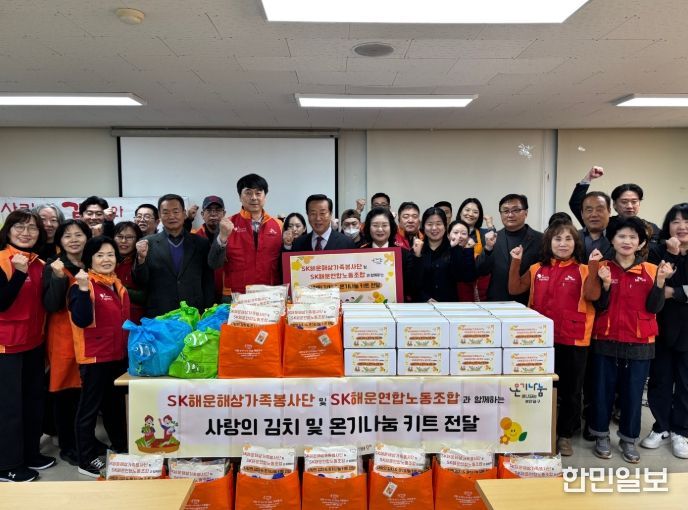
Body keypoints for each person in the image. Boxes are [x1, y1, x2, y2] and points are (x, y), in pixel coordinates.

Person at [508, 220, 603, 456]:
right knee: (541, 389)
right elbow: (514, 289)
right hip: (540, 341)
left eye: (568, 239)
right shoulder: (536, 269)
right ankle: (540, 432)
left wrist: (593, 266)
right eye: (557, 239)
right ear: (549, 243)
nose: (563, 244)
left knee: (571, 391)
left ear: (575, 243)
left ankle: (565, 436)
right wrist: (516, 261)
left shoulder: (584, 269)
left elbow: (593, 295)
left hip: (574, 339)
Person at [589, 216, 673, 463]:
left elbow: (655, 308)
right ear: (612, 240)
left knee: (633, 394)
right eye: (621, 236)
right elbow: (598, 305)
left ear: (641, 243)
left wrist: (660, 282)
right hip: (605, 339)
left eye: (633, 237)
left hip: (640, 344)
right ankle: (601, 436)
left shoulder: (651, 270)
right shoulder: (602, 267)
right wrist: (605, 284)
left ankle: (628, 439)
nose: (627, 241)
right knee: (601, 392)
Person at [68, 236, 129, 477]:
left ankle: (120, 447)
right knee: (89, 409)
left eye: (110, 255)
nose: (106, 259)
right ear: (90, 259)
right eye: (100, 255)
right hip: (94, 358)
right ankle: (85, 459)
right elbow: (81, 319)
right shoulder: (83, 285)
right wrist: (83, 289)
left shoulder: (116, 284)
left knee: (114, 407)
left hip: (116, 356)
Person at [0, 210, 53, 483]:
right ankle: (7, 465)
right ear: (8, 230)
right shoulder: (1, 260)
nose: (26, 232)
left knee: (33, 402)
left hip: (34, 343)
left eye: (32, 228)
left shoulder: (40, 263)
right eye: (19, 227)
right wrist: (19, 274)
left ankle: (31, 454)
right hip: (6, 347)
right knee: (9, 408)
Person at [42, 219, 92, 466]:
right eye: (67, 235)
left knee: (85, 392)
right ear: (60, 241)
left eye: (78, 234)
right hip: (63, 337)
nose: (74, 239)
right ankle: (68, 446)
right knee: (65, 391)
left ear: (87, 238)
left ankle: (85, 440)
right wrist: (59, 277)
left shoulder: (92, 263)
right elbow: (51, 304)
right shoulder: (54, 266)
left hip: (89, 336)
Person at [642, 203, 688, 458]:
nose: (682, 227)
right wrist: (672, 255)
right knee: (660, 380)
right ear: (668, 225)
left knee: (685, 382)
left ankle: (682, 430)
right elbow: (653, 286)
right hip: (661, 327)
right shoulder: (658, 251)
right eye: (676, 221)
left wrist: (676, 292)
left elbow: (670, 289)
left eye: (687, 221)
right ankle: (661, 427)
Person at [133, 194, 215, 317]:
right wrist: (141, 259)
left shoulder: (201, 243)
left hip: (193, 313)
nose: (171, 216)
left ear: (184, 213)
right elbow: (141, 281)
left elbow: (208, 282)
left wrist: (208, 312)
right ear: (159, 216)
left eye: (176, 211)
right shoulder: (148, 243)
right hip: (160, 314)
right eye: (166, 212)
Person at [209, 174, 283, 297]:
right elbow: (214, 263)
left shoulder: (279, 225)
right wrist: (222, 237)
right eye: (248, 193)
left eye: (258, 193)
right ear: (240, 196)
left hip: (270, 294)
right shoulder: (227, 224)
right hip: (235, 295)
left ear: (265, 196)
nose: (254, 197)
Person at [476, 194, 543, 304]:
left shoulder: (541, 239)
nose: (510, 215)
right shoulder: (492, 238)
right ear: (500, 214)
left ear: (526, 212)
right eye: (506, 211)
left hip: (528, 302)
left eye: (516, 210)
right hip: (497, 301)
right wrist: (488, 248)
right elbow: (481, 270)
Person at [568, 166, 660, 243]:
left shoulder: (651, 228)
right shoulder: (603, 224)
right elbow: (576, 203)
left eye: (634, 201)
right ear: (614, 205)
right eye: (624, 202)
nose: (629, 206)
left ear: (639, 203)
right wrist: (588, 178)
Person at [407, 207, 476, 302]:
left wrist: (455, 249)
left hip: (448, 306)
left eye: (438, 224)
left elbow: (464, 277)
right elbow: (411, 284)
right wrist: (417, 257)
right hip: (422, 306)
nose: (434, 228)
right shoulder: (416, 249)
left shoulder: (455, 249)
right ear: (423, 226)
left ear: (445, 226)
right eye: (429, 224)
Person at [289, 194, 355, 251]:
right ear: (307, 215)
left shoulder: (347, 243)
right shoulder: (298, 243)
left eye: (322, 213)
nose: (318, 218)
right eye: (313, 213)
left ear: (330, 214)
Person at [114, 221, 145, 323]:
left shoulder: (142, 261)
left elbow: (145, 296)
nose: (123, 241)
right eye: (119, 237)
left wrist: (116, 287)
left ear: (138, 240)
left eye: (129, 237)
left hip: (136, 320)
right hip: (111, 318)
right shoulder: (106, 260)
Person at [576, 191, 613, 259]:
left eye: (599, 210)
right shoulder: (573, 237)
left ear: (609, 211)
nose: (594, 214)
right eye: (589, 210)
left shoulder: (619, 238)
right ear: (582, 214)